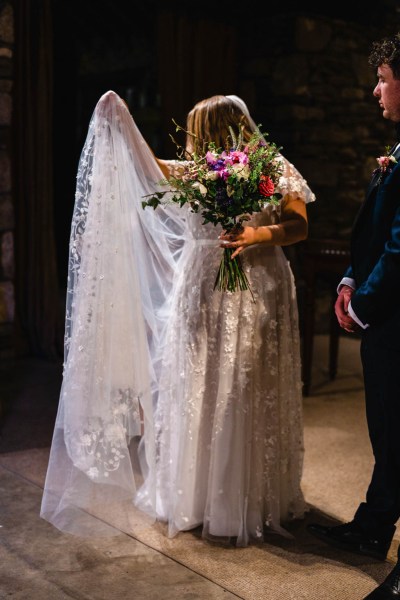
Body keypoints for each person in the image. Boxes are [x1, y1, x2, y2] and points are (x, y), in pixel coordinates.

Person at [40, 91, 315, 547]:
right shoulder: (195, 172)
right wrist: (119, 115)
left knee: (243, 386)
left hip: (255, 283)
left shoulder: (271, 166)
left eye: (196, 130)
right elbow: (144, 161)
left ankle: (243, 500)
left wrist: (255, 233)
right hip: (200, 286)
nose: (190, 139)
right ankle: (195, 495)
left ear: (218, 128)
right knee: (198, 384)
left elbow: (299, 226)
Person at [307, 32, 400, 599]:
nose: (375, 90)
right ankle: (373, 528)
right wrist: (348, 278)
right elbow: (376, 229)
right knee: (388, 431)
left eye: (385, 78)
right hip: (384, 312)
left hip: (395, 317)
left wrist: (363, 305)